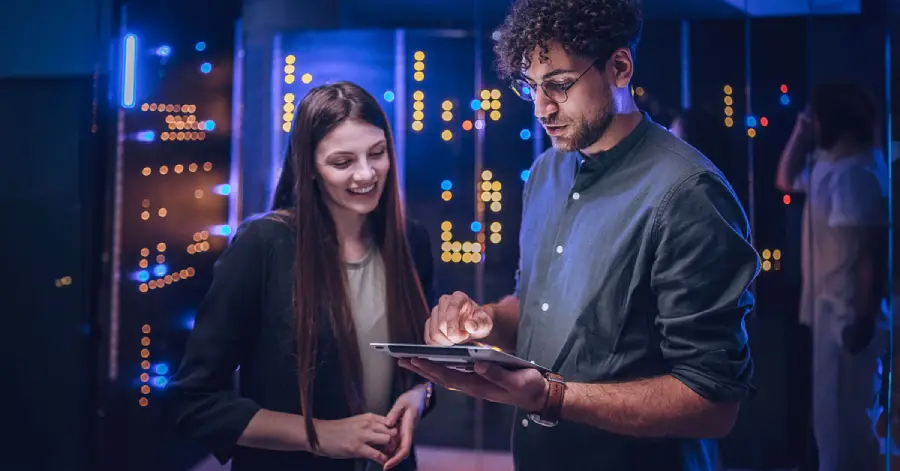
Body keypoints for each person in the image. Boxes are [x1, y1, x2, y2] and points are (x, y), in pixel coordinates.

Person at [399, 1, 759, 470]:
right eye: (530, 87)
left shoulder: (688, 193)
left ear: (620, 67)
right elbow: (537, 305)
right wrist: (483, 321)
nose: (542, 108)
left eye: (560, 85)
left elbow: (713, 403)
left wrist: (552, 397)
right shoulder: (546, 171)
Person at [167, 81, 436, 471]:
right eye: (343, 162)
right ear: (308, 166)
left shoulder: (411, 240)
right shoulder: (264, 244)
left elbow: (421, 369)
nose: (366, 173)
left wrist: (418, 398)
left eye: (377, 154)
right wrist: (319, 435)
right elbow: (195, 401)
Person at [775, 83, 889, 471]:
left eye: (816, 117)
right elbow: (786, 179)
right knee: (832, 422)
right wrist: (801, 130)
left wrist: (863, 317)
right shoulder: (835, 164)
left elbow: (872, 253)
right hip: (832, 312)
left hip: (845, 316)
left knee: (844, 426)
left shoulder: (856, 174)